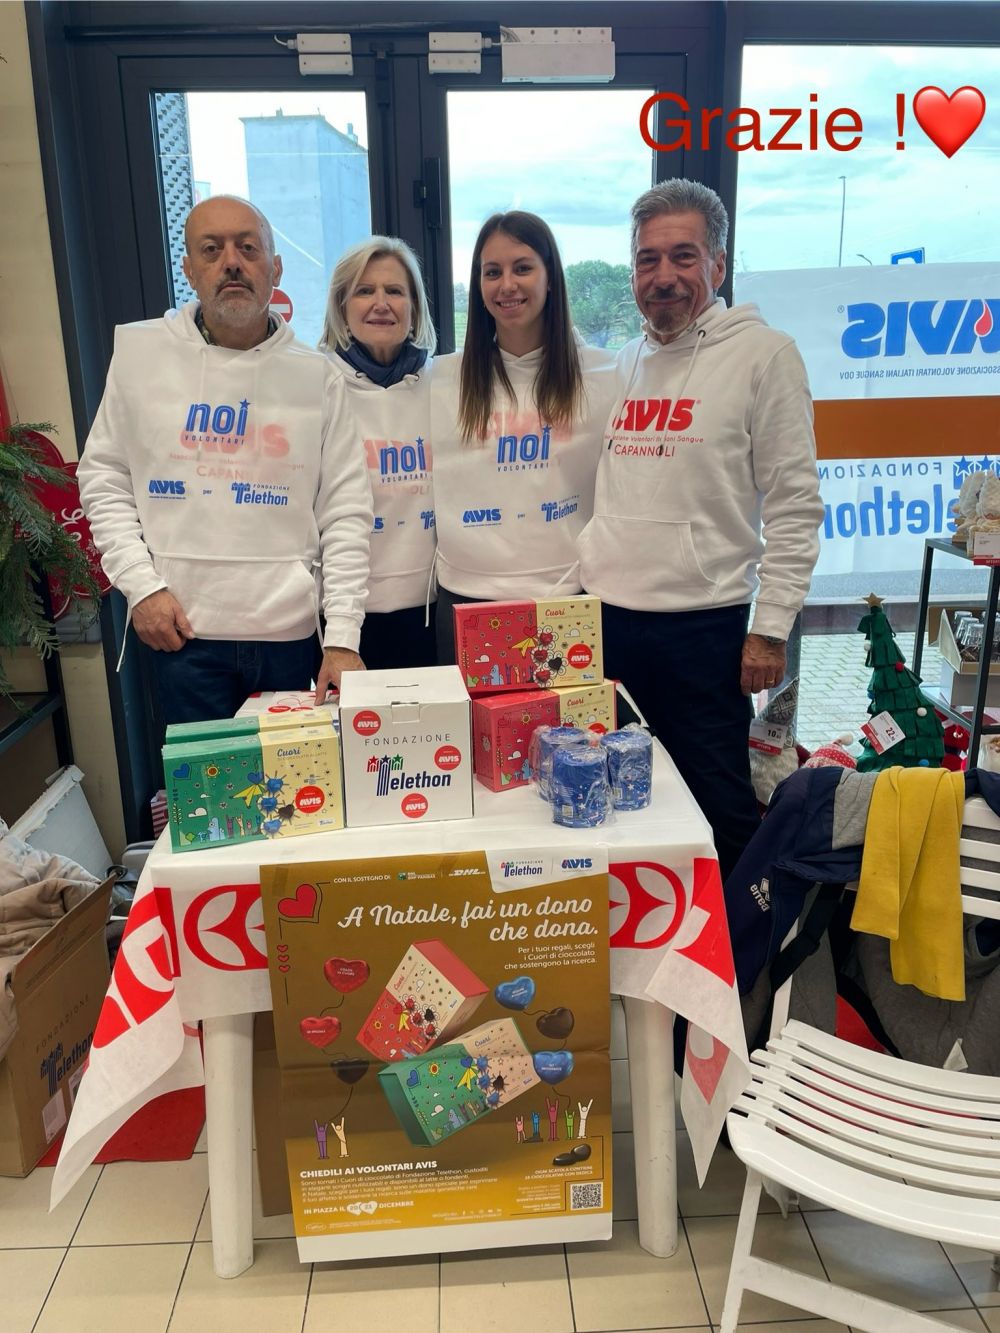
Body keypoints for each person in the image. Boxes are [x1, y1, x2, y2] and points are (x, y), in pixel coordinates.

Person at [577, 179, 824, 880]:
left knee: (719, 807)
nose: (663, 276)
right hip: (604, 624)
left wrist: (770, 628)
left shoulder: (765, 356)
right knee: (616, 804)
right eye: (647, 259)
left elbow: (795, 503)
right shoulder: (625, 362)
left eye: (682, 256)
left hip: (703, 629)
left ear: (717, 264)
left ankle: (744, 943)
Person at [78, 195, 372, 724]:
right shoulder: (142, 358)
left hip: (289, 637)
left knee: (292, 779)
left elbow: (346, 512)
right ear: (189, 269)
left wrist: (343, 636)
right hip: (180, 634)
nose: (231, 262)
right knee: (200, 782)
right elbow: (104, 479)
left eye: (248, 248)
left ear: (275, 268)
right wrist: (141, 588)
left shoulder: (318, 377)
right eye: (211, 250)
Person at [430, 211, 617, 664]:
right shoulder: (440, 378)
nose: (507, 285)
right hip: (465, 601)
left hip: (568, 600)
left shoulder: (605, 374)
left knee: (566, 718)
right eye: (492, 272)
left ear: (550, 278)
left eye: (523, 268)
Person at [319, 236, 437, 669]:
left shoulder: (445, 385)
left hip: (429, 609)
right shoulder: (316, 384)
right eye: (364, 291)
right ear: (342, 307)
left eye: (395, 291)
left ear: (414, 308)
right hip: (340, 616)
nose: (381, 303)